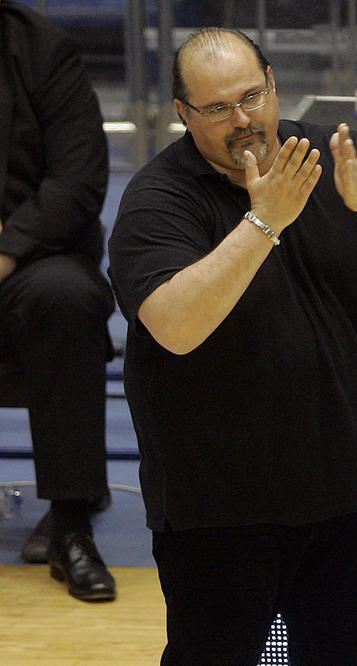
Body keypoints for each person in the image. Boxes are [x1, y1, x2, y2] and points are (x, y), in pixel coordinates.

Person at [107, 28, 357, 664]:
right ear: (183, 114)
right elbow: (175, 325)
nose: (243, 120)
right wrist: (264, 220)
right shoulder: (158, 199)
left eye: (253, 96)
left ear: (273, 82)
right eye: (217, 108)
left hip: (355, 489)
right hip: (219, 508)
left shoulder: (340, 154)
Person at [0, 0, 116, 601]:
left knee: (67, 298)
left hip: (36, 260)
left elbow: (80, 177)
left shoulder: (43, 47)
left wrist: (9, 248)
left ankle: (71, 527)